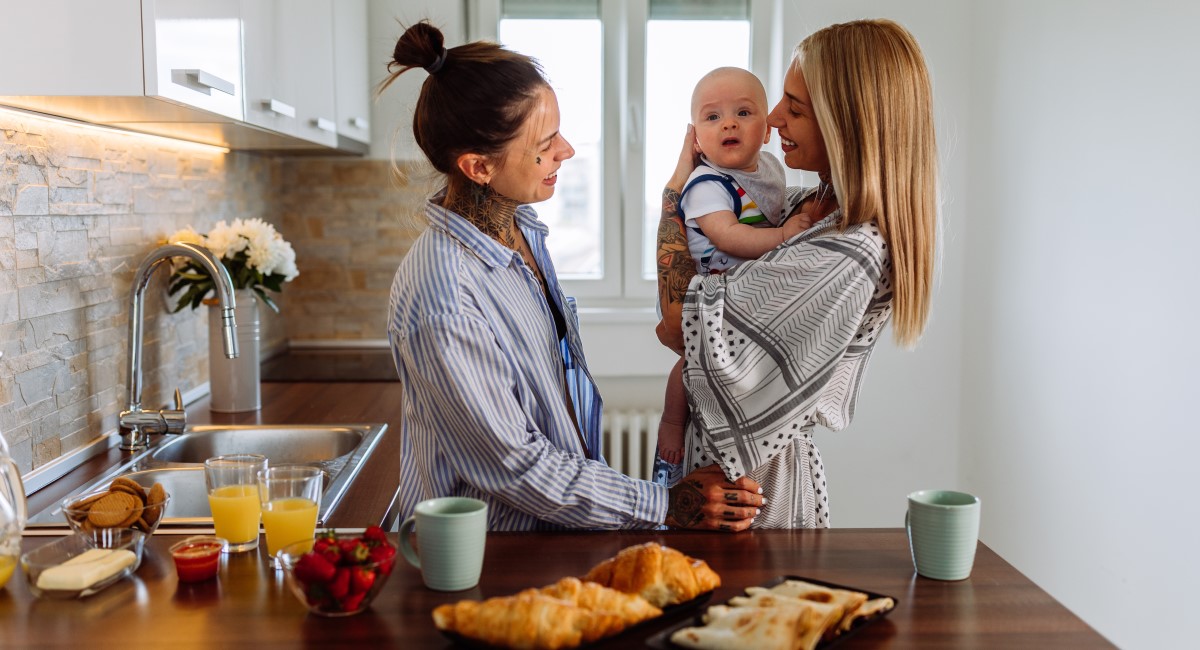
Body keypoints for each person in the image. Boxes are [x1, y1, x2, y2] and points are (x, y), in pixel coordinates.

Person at [381, 21, 764, 532]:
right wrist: (664, 504)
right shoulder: (445, 292)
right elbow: (512, 464)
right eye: (546, 141)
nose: (567, 150)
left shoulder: (518, 230)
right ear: (478, 167)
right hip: (486, 560)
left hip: (546, 541)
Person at [655, 18, 938, 528]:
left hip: (754, 492)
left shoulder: (849, 251)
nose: (775, 117)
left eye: (796, 107)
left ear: (845, 123)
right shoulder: (812, 207)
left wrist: (673, 194)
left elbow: (678, 325)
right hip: (728, 479)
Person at [656, 67, 808, 465]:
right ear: (696, 141)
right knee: (692, 361)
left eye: (743, 112)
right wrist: (782, 236)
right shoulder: (708, 184)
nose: (728, 123)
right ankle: (672, 420)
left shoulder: (771, 169)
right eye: (712, 117)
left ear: (767, 129)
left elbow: (774, 207)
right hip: (705, 287)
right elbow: (728, 235)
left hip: (743, 289)